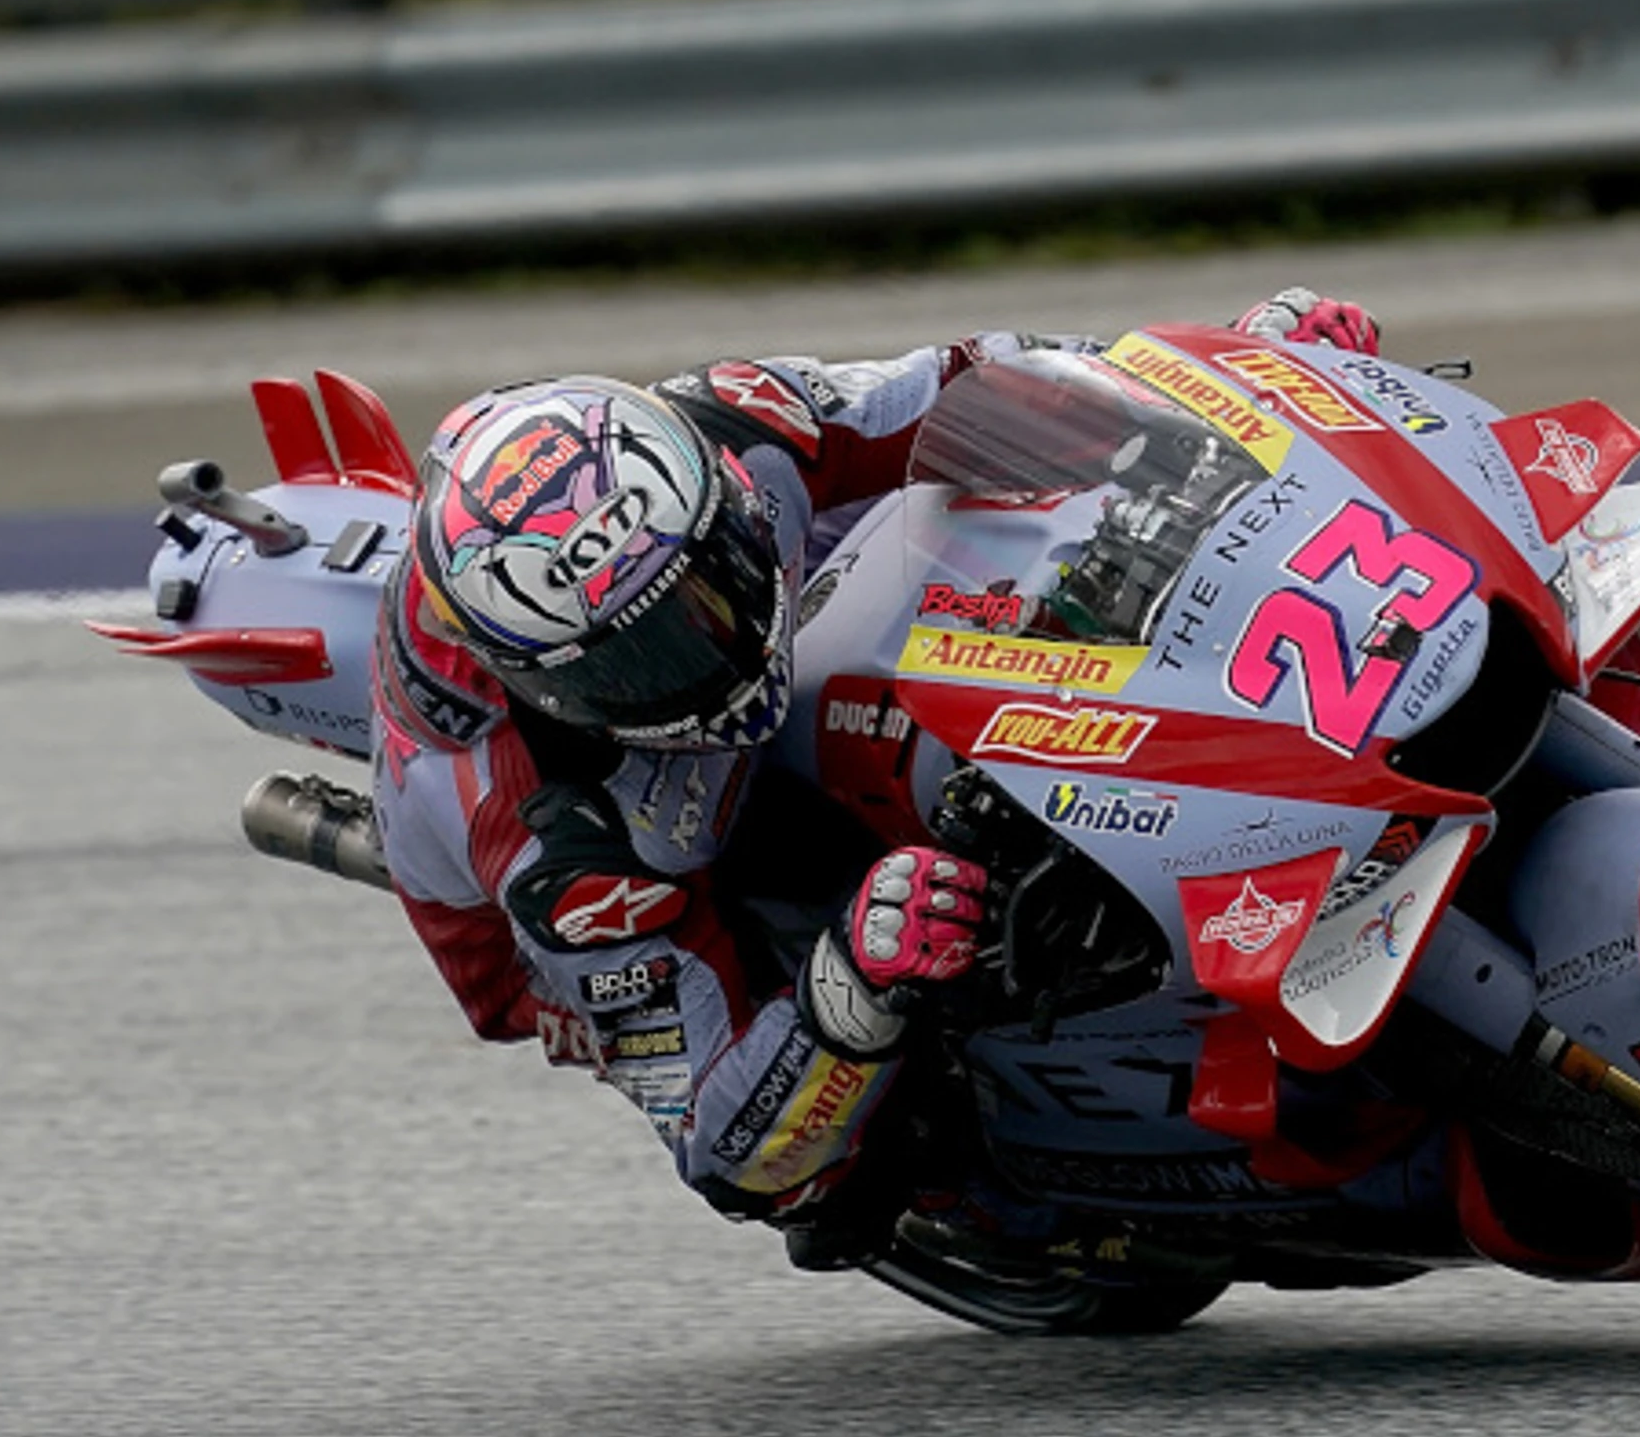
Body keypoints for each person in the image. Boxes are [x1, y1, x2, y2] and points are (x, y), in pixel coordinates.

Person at [362, 287, 1383, 1232]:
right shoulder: (558, 843)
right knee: (847, 1186)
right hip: (577, 882)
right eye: (643, 658)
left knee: (1034, 524)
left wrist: (1244, 380)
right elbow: (726, 1152)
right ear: (551, 688)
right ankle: (1002, 1199)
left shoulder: (750, 417)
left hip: (819, 613)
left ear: (714, 499)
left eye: (703, 592)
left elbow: (992, 383)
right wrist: (849, 983)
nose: (705, 648)